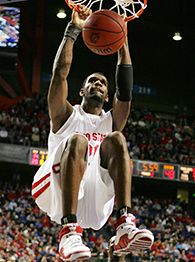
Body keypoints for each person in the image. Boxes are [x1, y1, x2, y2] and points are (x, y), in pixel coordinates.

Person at [32, 5, 154, 261]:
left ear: (107, 95)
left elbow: (126, 89)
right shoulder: (66, 114)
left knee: (118, 139)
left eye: (102, 82)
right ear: (81, 91)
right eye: (92, 81)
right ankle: (68, 230)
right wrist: (73, 29)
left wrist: (122, 41)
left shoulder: (110, 121)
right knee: (77, 140)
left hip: (96, 203)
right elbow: (59, 74)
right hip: (55, 192)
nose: (97, 84)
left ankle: (124, 224)